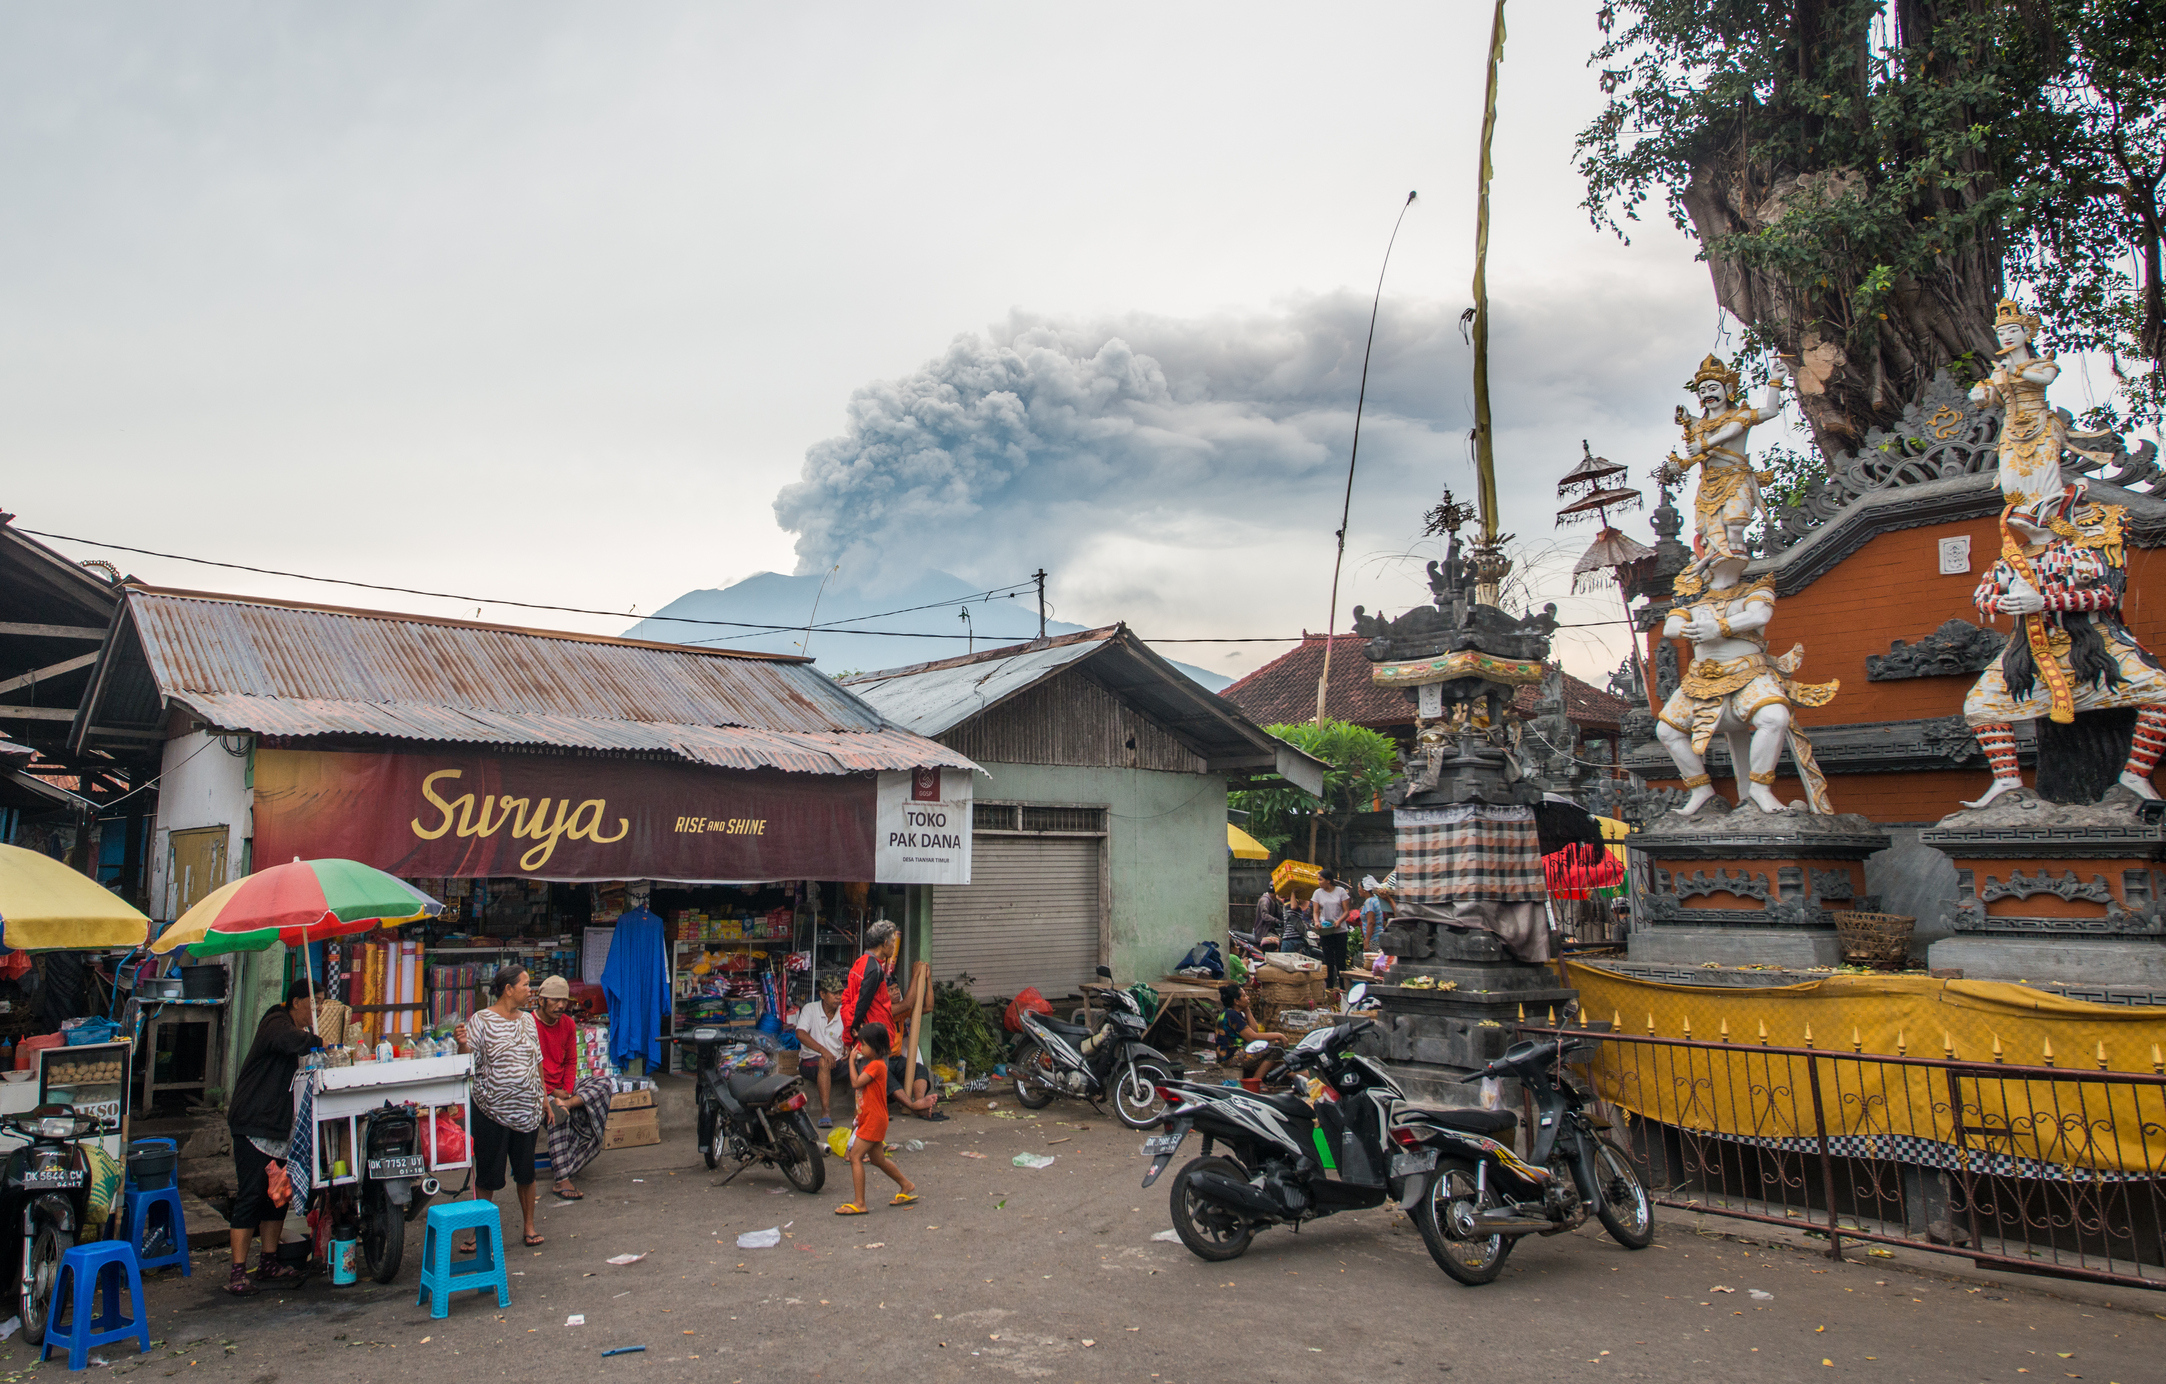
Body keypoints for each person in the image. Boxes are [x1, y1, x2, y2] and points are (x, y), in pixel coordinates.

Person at [223, 981, 323, 1296]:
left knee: (276, 1195)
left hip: (279, 1127)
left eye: (321, 1003)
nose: (316, 1009)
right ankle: (237, 1273)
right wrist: (315, 1040)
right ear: (295, 1002)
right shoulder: (275, 1022)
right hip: (253, 1121)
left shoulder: (289, 1026)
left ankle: (268, 1261)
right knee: (251, 1195)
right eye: (313, 1002)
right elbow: (289, 1041)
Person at [456, 966, 551, 1250]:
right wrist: (462, 1044)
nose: (529, 989)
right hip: (490, 1111)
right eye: (524, 984)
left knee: (526, 1172)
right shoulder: (481, 1020)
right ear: (508, 989)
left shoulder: (529, 1021)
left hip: (527, 1110)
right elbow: (468, 1060)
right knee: (487, 1174)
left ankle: (529, 1226)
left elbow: (537, 1061)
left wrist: (544, 1098)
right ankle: (477, 1233)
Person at [534, 975, 613, 1202]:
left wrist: (566, 1093)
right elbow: (527, 1069)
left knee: (604, 1083)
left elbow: (571, 1062)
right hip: (538, 1089)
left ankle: (566, 1105)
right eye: (555, 1000)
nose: (561, 1006)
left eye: (564, 1001)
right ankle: (562, 1179)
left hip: (563, 1088)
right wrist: (551, 1091)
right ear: (541, 1000)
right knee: (556, 1115)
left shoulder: (568, 1023)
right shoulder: (528, 1025)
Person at [835, 1021, 917, 1216]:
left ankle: (860, 1202)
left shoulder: (876, 1066)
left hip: (874, 1119)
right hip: (871, 1118)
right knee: (878, 1159)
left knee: (855, 1156)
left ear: (875, 1047)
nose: (860, 1048)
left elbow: (855, 1083)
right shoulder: (874, 1064)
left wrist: (852, 1061)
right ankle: (906, 1185)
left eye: (863, 1045)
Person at [792, 974, 848, 1128]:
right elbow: (800, 1033)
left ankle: (868, 1109)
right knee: (824, 1061)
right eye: (834, 993)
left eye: (840, 993)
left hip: (837, 1062)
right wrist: (823, 1051)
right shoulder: (811, 1009)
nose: (838, 997)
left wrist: (849, 1047)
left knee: (864, 1060)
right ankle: (825, 1111)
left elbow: (851, 1033)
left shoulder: (844, 1012)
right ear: (822, 994)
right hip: (812, 1062)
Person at [840, 919, 899, 1047]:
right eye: (893, 941)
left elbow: (847, 1001)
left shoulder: (859, 963)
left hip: (865, 1039)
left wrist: (848, 1036)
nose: (894, 945)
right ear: (884, 943)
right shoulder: (874, 970)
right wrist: (848, 1039)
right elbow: (858, 1006)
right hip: (873, 1042)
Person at [1308, 875, 1353, 990]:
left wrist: (1339, 921)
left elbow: (1346, 911)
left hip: (1340, 930)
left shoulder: (1341, 891)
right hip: (1325, 931)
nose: (1319, 882)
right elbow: (1316, 911)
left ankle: (1343, 988)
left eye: (1321, 880)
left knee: (1340, 961)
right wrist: (1317, 922)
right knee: (1328, 961)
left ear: (1328, 881)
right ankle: (1329, 989)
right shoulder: (1317, 893)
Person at [1357, 876, 1395, 952]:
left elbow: (1371, 922)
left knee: (1372, 960)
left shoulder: (1369, 902)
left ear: (1365, 890)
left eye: (1359, 888)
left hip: (1373, 938)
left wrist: (1367, 941)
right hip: (1379, 936)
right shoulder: (1376, 900)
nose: (1358, 890)